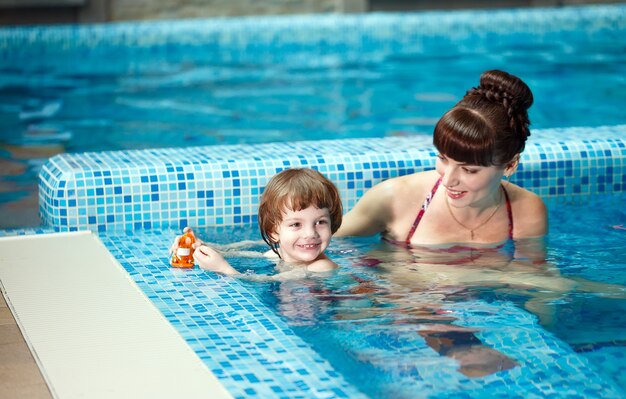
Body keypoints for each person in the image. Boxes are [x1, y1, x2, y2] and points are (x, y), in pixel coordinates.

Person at [335, 69, 547, 246]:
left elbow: (534, 281)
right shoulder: (394, 199)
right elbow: (323, 245)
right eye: (443, 159)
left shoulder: (526, 211)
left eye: (469, 170)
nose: (448, 180)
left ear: (510, 165)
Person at [170, 168, 343, 276]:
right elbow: (237, 253)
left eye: (320, 222)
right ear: (274, 232)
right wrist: (199, 247)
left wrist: (223, 269)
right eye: (296, 224)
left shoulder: (321, 267)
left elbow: (263, 281)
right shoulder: (278, 254)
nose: (310, 234)